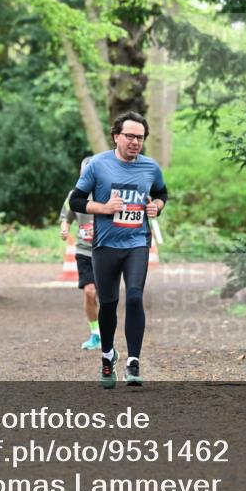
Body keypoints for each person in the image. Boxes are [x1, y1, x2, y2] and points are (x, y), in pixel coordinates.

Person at [69, 112, 168, 388]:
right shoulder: (98, 165)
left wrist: (156, 207)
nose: (135, 142)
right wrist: (103, 208)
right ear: (116, 136)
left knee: (135, 297)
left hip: (137, 242)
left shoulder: (150, 167)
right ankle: (108, 354)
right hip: (105, 246)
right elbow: (75, 201)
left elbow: (162, 193)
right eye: (130, 136)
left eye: (140, 137)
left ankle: (133, 361)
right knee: (109, 304)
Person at [59, 157, 99, 350]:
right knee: (90, 292)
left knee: (106, 297)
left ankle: (106, 331)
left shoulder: (107, 193)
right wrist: (64, 228)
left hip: (106, 252)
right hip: (84, 251)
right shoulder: (74, 195)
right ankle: (95, 333)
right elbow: (66, 217)